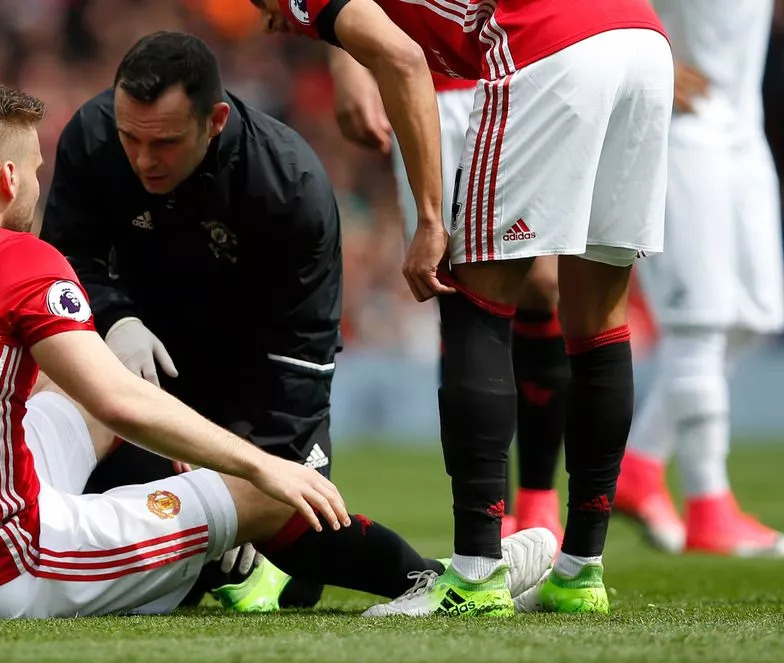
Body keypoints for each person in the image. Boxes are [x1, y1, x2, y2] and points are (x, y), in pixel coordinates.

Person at [0, 83, 556, 619]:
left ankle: (208, 546)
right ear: (6, 179)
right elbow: (118, 401)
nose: (39, 182)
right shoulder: (16, 257)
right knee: (254, 488)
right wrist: (257, 463)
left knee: (89, 384)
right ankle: (429, 581)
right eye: (33, 167)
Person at [250, 0, 672, 616]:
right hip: (640, 39)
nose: (268, 19)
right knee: (599, 321)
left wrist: (428, 218)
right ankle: (580, 572)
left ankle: (475, 576)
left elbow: (401, 58)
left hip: (547, 44)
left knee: (474, 297)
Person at [40, 31, 343, 610]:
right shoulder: (94, 135)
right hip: (150, 374)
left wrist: (247, 481)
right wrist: (116, 318)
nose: (144, 159)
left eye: (166, 143)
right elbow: (63, 261)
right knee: (114, 535)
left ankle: (472, 572)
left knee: (297, 576)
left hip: (256, 386)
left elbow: (302, 357)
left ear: (216, 120)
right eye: (131, 137)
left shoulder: (289, 187)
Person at [329, 53, 566, 542]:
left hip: (523, 78)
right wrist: (348, 60)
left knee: (543, 284)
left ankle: (540, 500)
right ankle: (492, 512)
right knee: (455, 289)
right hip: (431, 91)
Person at [616, 0, 784, 557]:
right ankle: (709, 507)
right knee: (699, 327)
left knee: (755, 318)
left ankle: (639, 464)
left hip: (742, 129)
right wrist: (641, 47)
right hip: (682, 132)